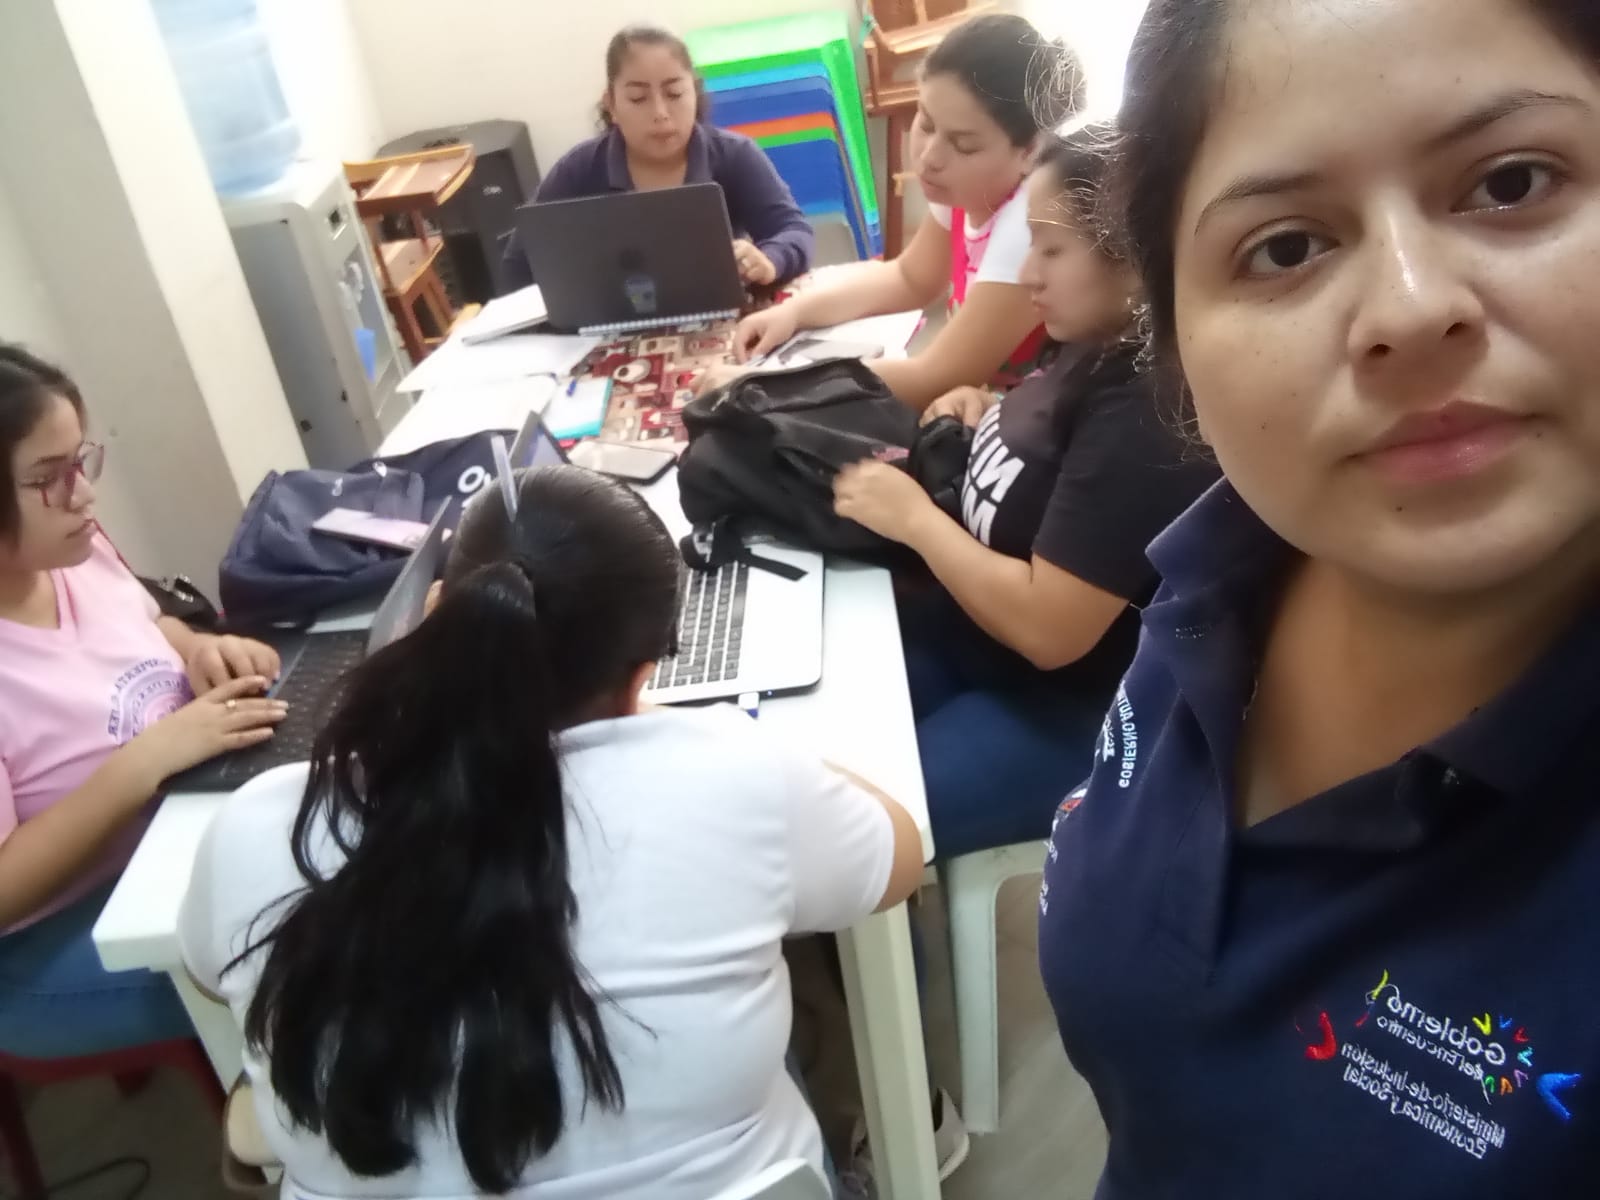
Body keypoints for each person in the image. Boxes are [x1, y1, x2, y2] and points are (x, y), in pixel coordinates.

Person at [1038, 0, 1600, 1194]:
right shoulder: (1207, 585)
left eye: (1511, 183)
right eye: (1286, 247)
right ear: (1175, 348)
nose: (1409, 308)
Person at [179, 465, 923, 1200]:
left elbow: (214, 978)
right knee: (759, 1037)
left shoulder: (259, 824)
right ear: (641, 672)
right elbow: (898, 855)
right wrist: (687, 727)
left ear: (436, 616)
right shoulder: (735, 777)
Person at [833, 126, 1218, 860]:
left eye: (1050, 248)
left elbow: (1050, 631)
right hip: (976, 639)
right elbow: (1052, 430)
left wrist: (915, 520)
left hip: (1064, 704)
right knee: (815, 729)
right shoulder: (1090, 339)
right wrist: (987, 411)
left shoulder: (1148, 412)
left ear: (1130, 254)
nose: (1028, 273)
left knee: (856, 821)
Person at [0, 344, 286, 1060]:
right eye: (47, 479)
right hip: (52, 939)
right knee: (298, 953)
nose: (83, 497)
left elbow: (152, 626)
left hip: (179, 834)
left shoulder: (73, 554)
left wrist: (202, 652)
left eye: (80, 463)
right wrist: (143, 765)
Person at [719, 13, 1086, 411]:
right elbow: (910, 278)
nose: (929, 157)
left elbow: (934, 377)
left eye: (963, 145)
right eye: (925, 124)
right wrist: (795, 314)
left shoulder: (1030, 225)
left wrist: (762, 384)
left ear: (1029, 150)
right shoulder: (966, 188)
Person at [501, 25, 814, 292]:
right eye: (638, 98)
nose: (660, 113)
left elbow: (793, 230)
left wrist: (770, 259)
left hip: (725, 322)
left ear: (695, 94)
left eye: (674, 94)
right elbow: (519, 262)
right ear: (611, 104)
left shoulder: (734, 155)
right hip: (612, 328)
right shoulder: (580, 168)